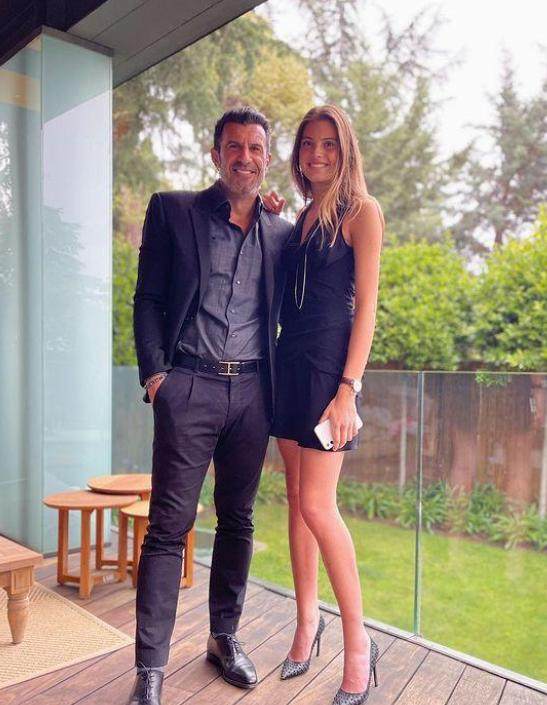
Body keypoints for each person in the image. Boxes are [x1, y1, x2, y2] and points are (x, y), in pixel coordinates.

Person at [129, 106, 292, 705]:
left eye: (255, 148)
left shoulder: (282, 232)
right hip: (189, 387)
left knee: (238, 521)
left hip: (253, 394)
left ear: (267, 159)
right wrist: (157, 377)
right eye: (234, 146)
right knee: (168, 530)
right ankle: (150, 668)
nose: (244, 157)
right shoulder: (173, 211)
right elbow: (147, 298)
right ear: (216, 153)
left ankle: (224, 637)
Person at [266, 105, 384, 705]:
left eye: (329, 144)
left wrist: (348, 389)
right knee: (297, 504)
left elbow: (366, 309)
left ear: (346, 151)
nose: (317, 153)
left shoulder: (362, 211)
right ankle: (306, 623)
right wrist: (271, 217)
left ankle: (360, 645)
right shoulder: (302, 218)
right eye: (309, 143)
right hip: (287, 363)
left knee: (318, 504)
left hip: (327, 373)